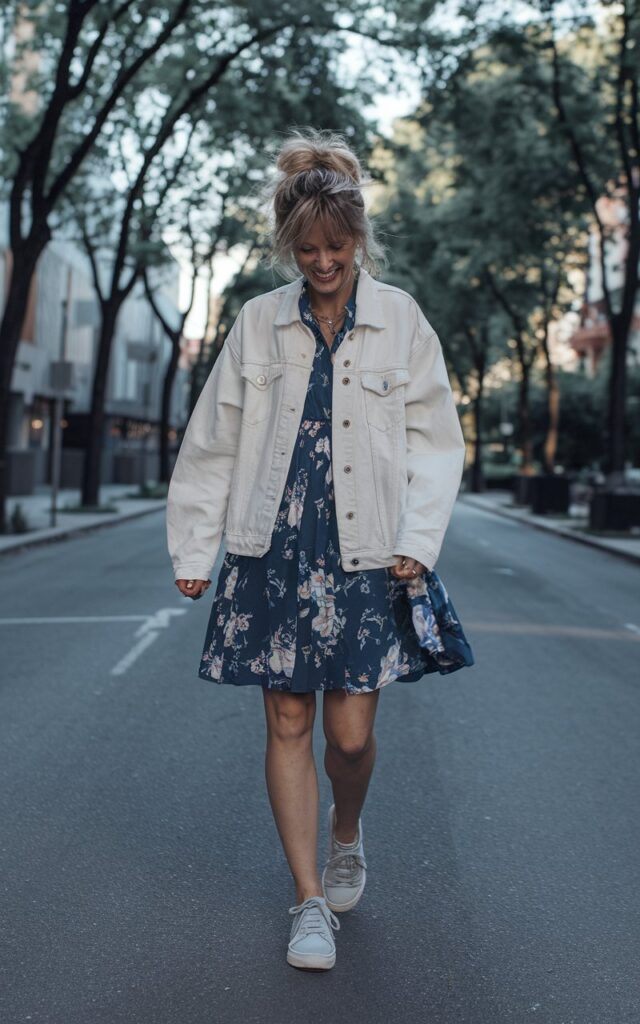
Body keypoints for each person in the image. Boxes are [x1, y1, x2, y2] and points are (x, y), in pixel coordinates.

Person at [166, 128, 474, 972]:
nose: (322, 263)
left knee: (347, 735)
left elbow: (436, 439)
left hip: (368, 553)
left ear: (357, 240)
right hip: (272, 548)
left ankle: (347, 830)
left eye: (335, 248)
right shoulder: (256, 323)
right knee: (288, 716)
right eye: (307, 250)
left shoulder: (401, 318)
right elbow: (212, 443)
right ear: (288, 244)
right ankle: (308, 901)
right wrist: (195, 545)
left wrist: (418, 540)